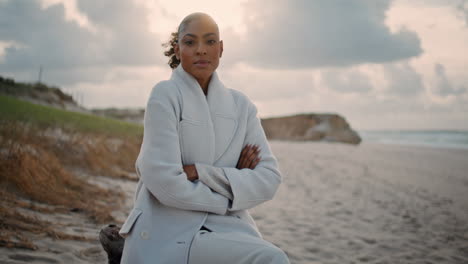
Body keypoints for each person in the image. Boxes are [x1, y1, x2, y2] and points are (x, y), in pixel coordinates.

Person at [119, 12, 289, 264]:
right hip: (166, 225)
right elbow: (164, 183)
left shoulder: (242, 106)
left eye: (210, 42)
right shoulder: (164, 95)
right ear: (177, 49)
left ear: (221, 49)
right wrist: (233, 191)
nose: (201, 50)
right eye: (190, 42)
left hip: (227, 226)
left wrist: (201, 173)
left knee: (272, 257)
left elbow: (269, 180)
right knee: (270, 258)